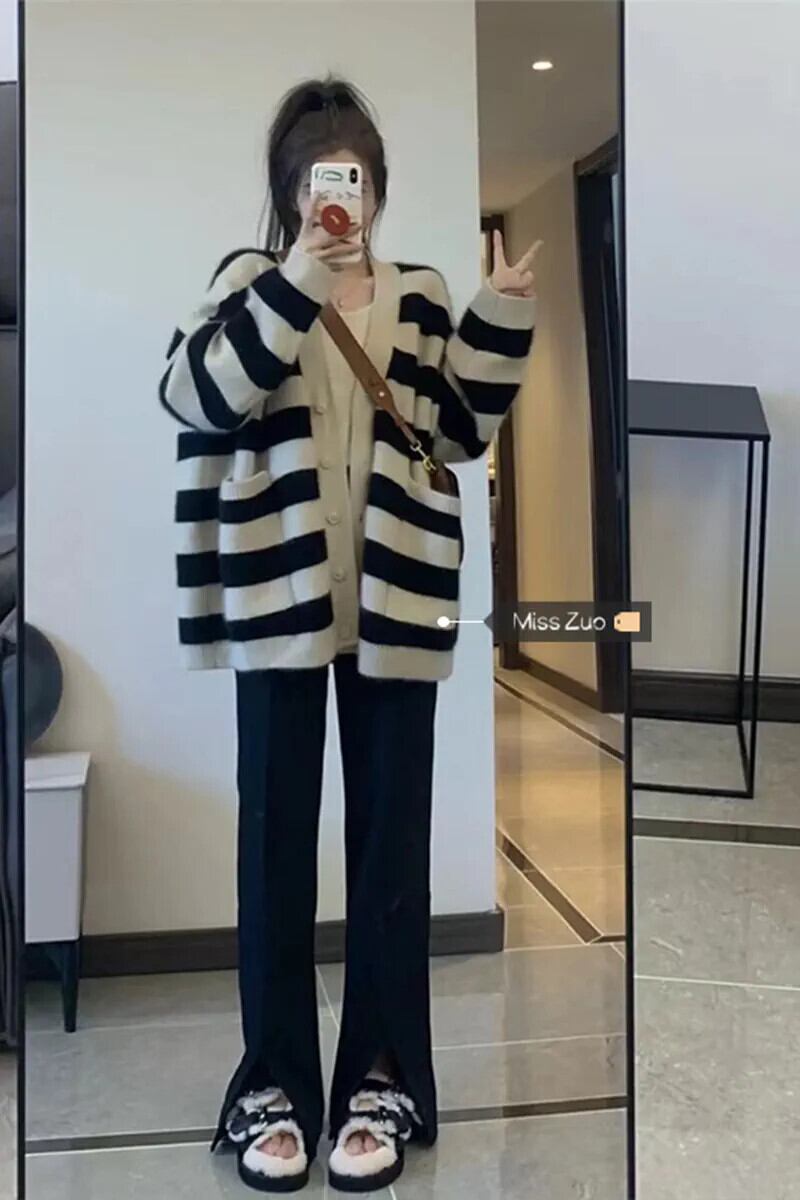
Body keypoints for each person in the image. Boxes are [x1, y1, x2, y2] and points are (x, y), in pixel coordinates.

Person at [158, 76, 540, 1194]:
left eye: (356, 179)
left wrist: (497, 312)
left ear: (376, 185)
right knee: (273, 851)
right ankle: (273, 1085)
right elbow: (192, 396)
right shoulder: (250, 282)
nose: (340, 199)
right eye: (321, 180)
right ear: (291, 189)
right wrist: (296, 282)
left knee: (390, 852)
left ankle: (378, 1075)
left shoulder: (419, 294)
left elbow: (456, 431)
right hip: (278, 606)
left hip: (397, 602)